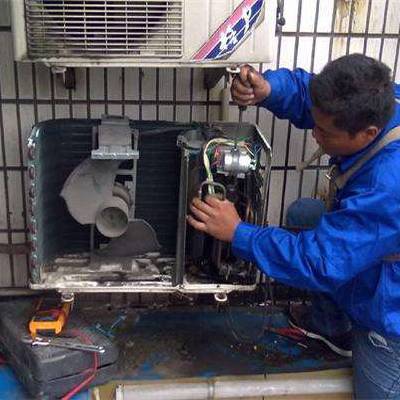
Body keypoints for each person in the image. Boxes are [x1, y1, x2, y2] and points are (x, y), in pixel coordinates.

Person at [187, 53, 400, 399]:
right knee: (305, 215)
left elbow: (320, 261)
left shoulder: (388, 185)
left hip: (394, 315)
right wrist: (269, 89)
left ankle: (374, 342)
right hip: (381, 245)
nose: (314, 133)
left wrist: (239, 233)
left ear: (369, 133)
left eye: (325, 132)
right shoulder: (384, 100)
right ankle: (332, 329)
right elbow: (310, 95)